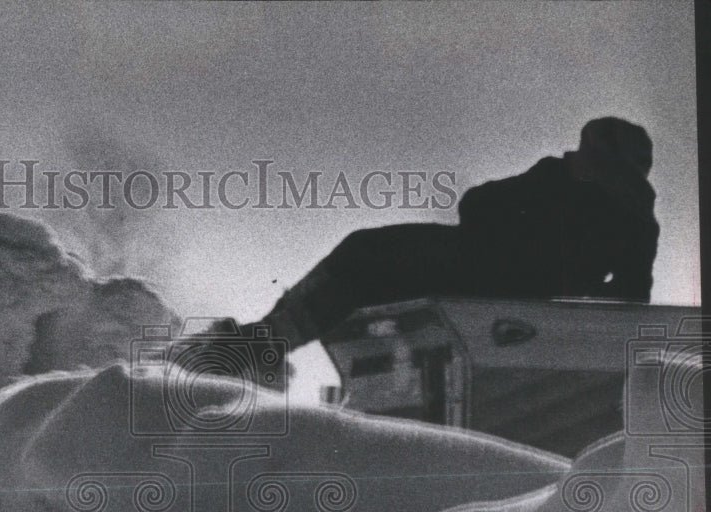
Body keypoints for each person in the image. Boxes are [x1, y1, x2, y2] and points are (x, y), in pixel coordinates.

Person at [199, 117, 659, 389]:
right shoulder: (634, 218)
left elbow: (478, 205)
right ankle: (263, 347)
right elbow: (633, 298)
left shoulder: (566, 186)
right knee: (368, 262)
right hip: (502, 283)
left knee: (366, 257)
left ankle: (261, 346)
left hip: (485, 274)